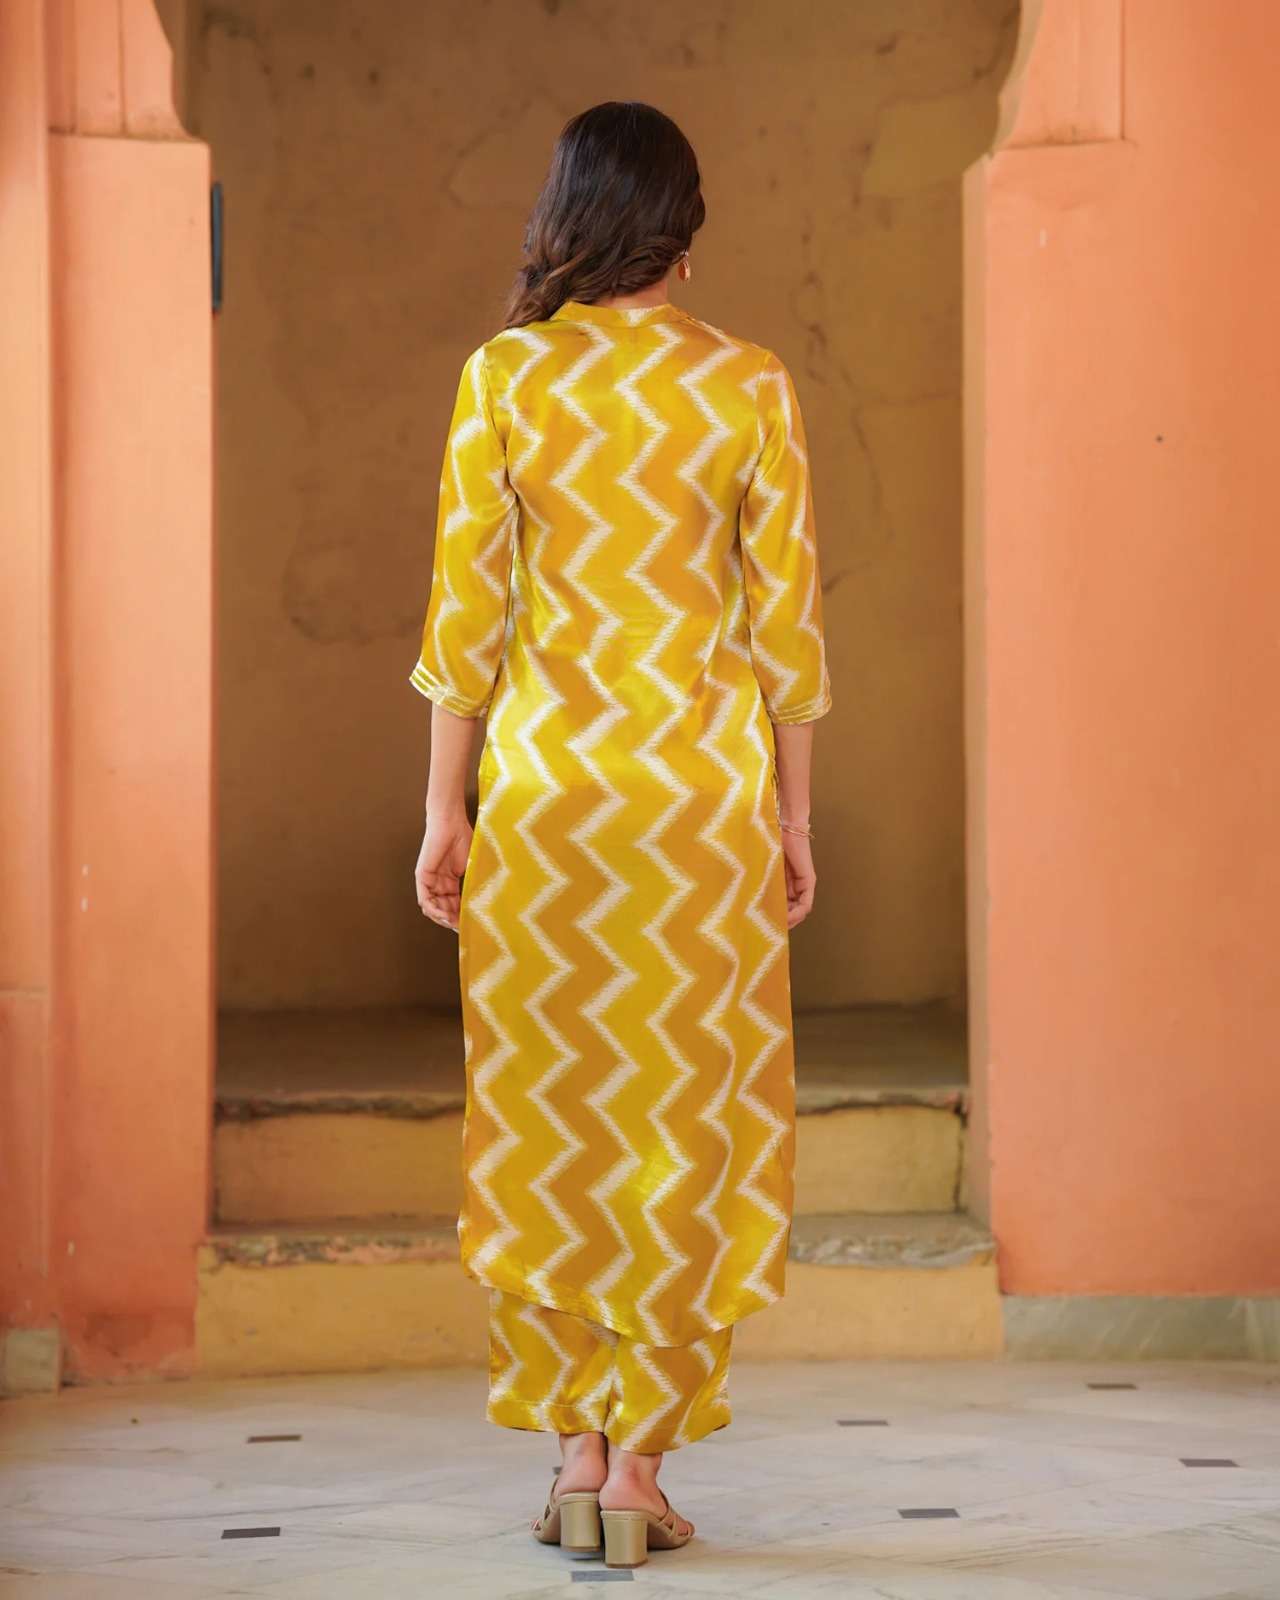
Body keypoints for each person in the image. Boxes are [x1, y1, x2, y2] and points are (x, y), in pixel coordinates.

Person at [410, 100, 832, 1572]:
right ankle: (641, 1472)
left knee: (550, 1125)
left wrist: (446, 808)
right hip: (699, 810)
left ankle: (575, 1456)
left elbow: (465, 627)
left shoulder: (506, 379)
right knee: (686, 1131)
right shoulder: (746, 386)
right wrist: (791, 819)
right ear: (686, 228)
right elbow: (786, 635)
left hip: (551, 810)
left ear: (564, 215)